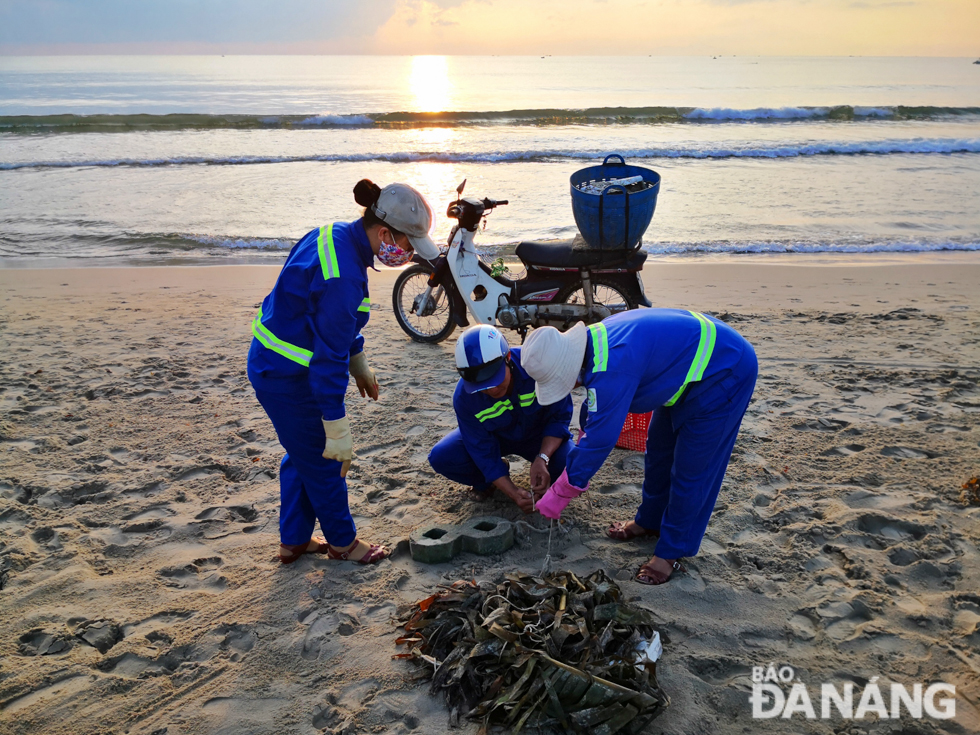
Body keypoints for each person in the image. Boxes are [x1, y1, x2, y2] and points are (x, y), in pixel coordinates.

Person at [248, 179, 440, 564]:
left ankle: (294, 541)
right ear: (385, 232)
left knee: (300, 455)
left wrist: (360, 361)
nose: (408, 255)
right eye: (407, 246)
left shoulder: (335, 235)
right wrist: (336, 424)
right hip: (287, 372)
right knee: (325, 460)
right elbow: (326, 358)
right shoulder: (345, 277)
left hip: (273, 358)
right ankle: (342, 543)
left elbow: (329, 320)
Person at [521, 309, 758, 585]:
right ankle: (649, 521)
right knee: (658, 454)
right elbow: (595, 402)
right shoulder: (591, 343)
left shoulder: (613, 362)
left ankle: (670, 553)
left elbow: (600, 441)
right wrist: (584, 429)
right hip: (683, 374)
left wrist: (561, 493)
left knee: (693, 470)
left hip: (725, 370)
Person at [428, 324, 574, 513]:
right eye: (482, 386)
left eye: (495, 379)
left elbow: (559, 417)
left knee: (572, 462)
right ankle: (488, 482)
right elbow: (480, 448)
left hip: (538, 437)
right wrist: (512, 492)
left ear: (508, 358)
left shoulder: (537, 365)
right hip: (496, 440)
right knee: (442, 457)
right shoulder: (464, 398)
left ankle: (547, 482)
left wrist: (542, 458)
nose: (492, 389)